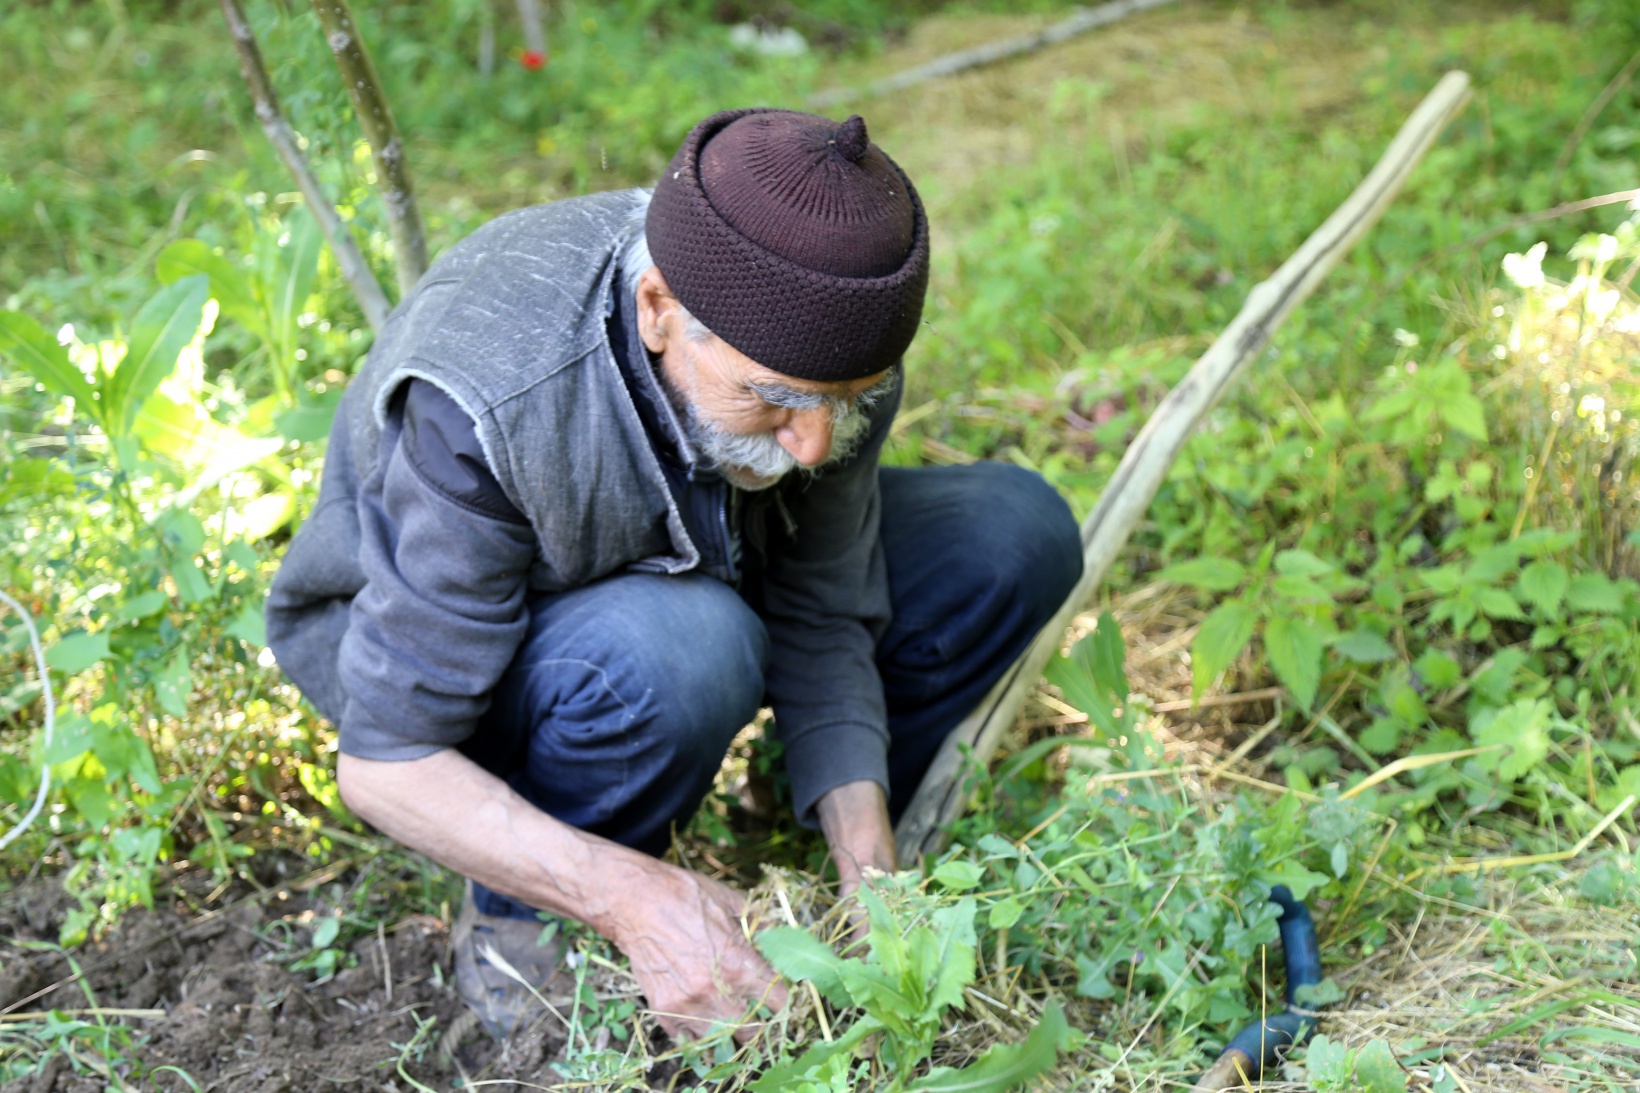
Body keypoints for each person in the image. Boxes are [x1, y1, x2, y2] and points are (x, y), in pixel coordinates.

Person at [265, 108, 1082, 1039]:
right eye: (772, 399)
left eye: (843, 404)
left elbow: (824, 608)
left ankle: (794, 804)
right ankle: (518, 909)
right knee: (685, 647)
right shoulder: (494, 400)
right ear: (657, 310)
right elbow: (389, 763)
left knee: (1011, 534)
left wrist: (871, 867)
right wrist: (637, 900)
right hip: (478, 656)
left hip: (710, 552)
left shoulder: (828, 353)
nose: (814, 444)